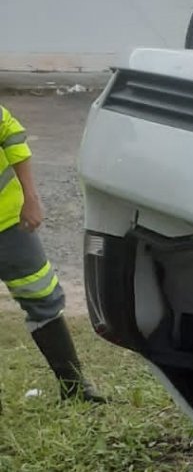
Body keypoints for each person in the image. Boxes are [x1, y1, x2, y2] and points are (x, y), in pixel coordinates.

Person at [0, 104, 103, 407]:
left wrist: (31, 198)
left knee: (42, 297)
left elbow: (13, 138)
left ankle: (74, 389)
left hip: (10, 222)